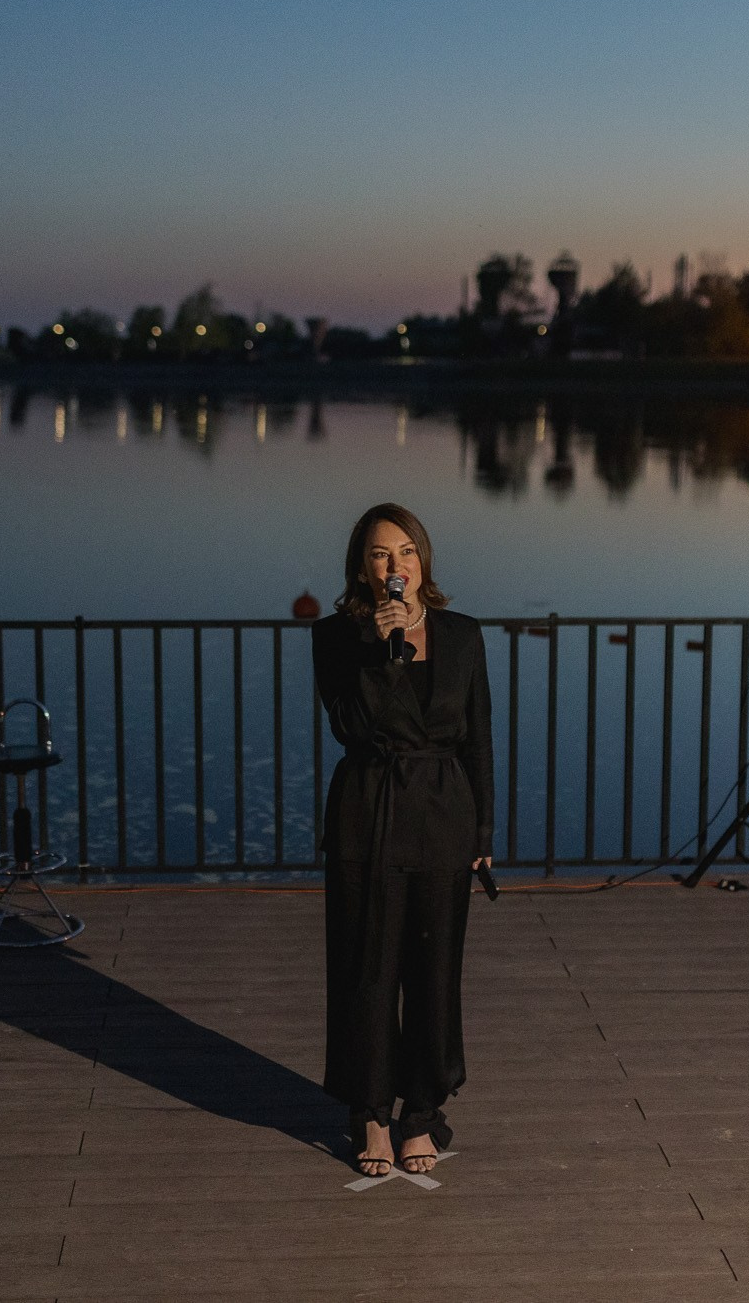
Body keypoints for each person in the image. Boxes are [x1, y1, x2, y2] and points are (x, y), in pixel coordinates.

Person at [311, 503, 493, 1178]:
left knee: (434, 971)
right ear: (363, 567)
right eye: (381, 554)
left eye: (406, 551)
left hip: (443, 814)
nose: (396, 565)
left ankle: (420, 1111)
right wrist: (381, 653)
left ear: (423, 559)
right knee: (367, 970)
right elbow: (349, 725)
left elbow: (479, 736)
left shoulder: (462, 634)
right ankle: (369, 1112)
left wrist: (483, 829)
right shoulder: (338, 637)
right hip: (369, 812)